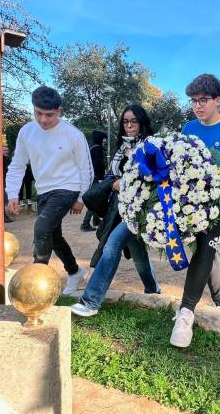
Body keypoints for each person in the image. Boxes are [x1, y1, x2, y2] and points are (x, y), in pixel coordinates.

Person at [170, 74, 220, 348]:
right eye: (193, 101)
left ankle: (186, 314)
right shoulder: (188, 127)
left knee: (205, 243)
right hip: (193, 201)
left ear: (217, 100)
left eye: (203, 100)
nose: (197, 106)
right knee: (207, 250)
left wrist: (209, 173)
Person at [71, 105, 161, 317]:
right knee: (138, 252)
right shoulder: (121, 147)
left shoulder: (151, 145)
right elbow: (114, 175)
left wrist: (135, 163)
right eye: (125, 122)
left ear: (142, 123)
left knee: (112, 245)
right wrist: (114, 184)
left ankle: (91, 301)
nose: (129, 126)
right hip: (119, 206)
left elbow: (156, 176)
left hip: (140, 208)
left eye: (134, 121)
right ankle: (153, 289)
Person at [5, 86, 93, 295]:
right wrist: (13, 194)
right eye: (38, 113)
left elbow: (85, 168)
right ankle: (74, 272)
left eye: (49, 115)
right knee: (53, 237)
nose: (43, 120)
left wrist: (81, 197)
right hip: (43, 190)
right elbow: (17, 164)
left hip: (67, 187)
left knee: (41, 228)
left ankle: (38, 279)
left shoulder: (73, 134)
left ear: (59, 111)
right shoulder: (27, 131)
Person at [81, 130, 108, 232]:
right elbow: (98, 164)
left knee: (95, 198)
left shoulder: (91, 148)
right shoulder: (98, 149)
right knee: (95, 199)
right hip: (96, 178)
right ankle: (85, 224)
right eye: (104, 138)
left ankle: (96, 220)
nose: (105, 141)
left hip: (90, 177)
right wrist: (101, 177)